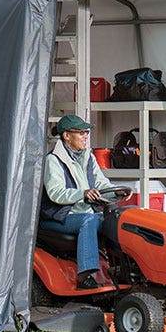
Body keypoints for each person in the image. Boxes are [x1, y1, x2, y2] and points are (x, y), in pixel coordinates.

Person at [40, 114, 117, 290]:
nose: (85, 136)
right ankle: (85, 276)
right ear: (67, 136)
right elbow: (55, 193)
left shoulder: (87, 157)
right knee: (88, 221)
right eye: (81, 133)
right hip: (60, 217)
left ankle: (119, 269)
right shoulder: (53, 160)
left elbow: (100, 182)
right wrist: (82, 194)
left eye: (86, 132)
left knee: (117, 219)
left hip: (84, 212)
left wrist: (115, 191)